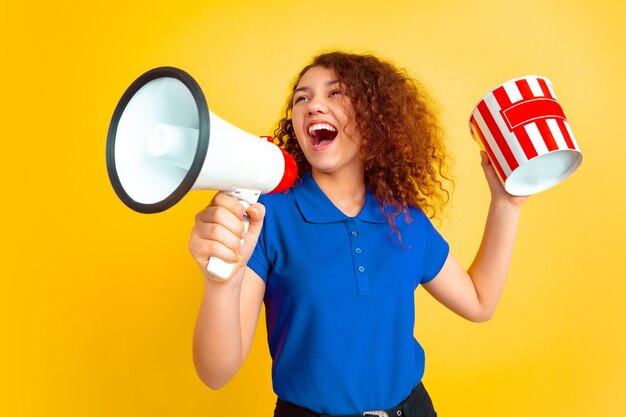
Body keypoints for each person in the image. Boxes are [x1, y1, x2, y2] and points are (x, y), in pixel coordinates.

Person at [189, 51, 527, 417]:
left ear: (372, 116)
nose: (313, 105)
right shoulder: (265, 215)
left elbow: (479, 302)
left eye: (335, 93)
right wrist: (220, 284)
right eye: (302, 98)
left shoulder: (404, 218)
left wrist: (506, 204)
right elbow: (215, 373)